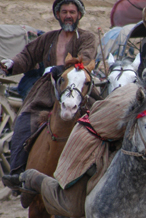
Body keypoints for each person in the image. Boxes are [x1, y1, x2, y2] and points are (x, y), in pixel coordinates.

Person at [2, 61, 146, 218]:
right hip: (90, 141)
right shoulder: (135, 98)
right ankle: (34, 178)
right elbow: (130, 132)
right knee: (73, 207)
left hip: (112, 145)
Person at [0, 0, 97, 175]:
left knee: (101, 119)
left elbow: (85, 58)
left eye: (72, 12)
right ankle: (18, 172)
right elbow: (28, 54)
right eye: (64, 12)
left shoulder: (87, 37)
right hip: (48, 88)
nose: (68, 16)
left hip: (78, 86)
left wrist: (62, 69)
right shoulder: (47, 38)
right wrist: (11, 63)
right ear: (58, 15)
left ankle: (100, 168)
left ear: (79, 15)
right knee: (24, 120)